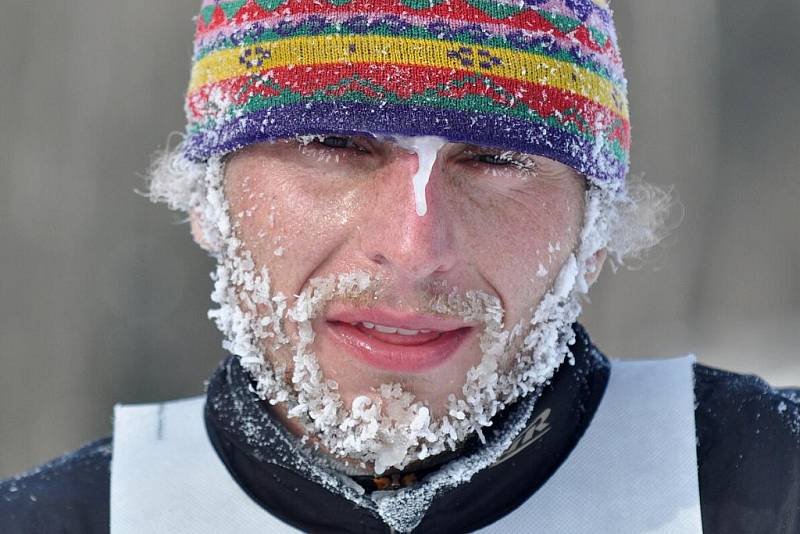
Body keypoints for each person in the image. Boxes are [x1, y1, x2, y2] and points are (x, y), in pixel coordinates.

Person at [2, 0, 798, 532]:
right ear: (208, 198)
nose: (415, 252)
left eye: (495, 158)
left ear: (593, 229)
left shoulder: (763, 486)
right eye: (334, 144)